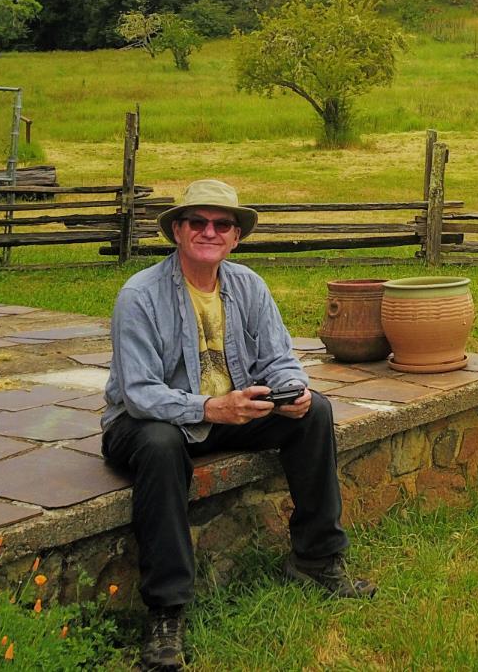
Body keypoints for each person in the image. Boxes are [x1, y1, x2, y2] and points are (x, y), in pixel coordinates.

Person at [102, 179, 375, 671]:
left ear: (235, 237)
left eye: (222, 224)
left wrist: (292, 390)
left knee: (314, 412)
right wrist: (211, 408)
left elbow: (279, 358)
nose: (209, 231)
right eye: (198, 222)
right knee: (161, 446)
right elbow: (139, 394)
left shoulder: (248, 286)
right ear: (178, 231)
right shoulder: (138, 295)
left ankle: (316, 560)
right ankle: (166, 612)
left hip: (229, 411)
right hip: (146, 422)